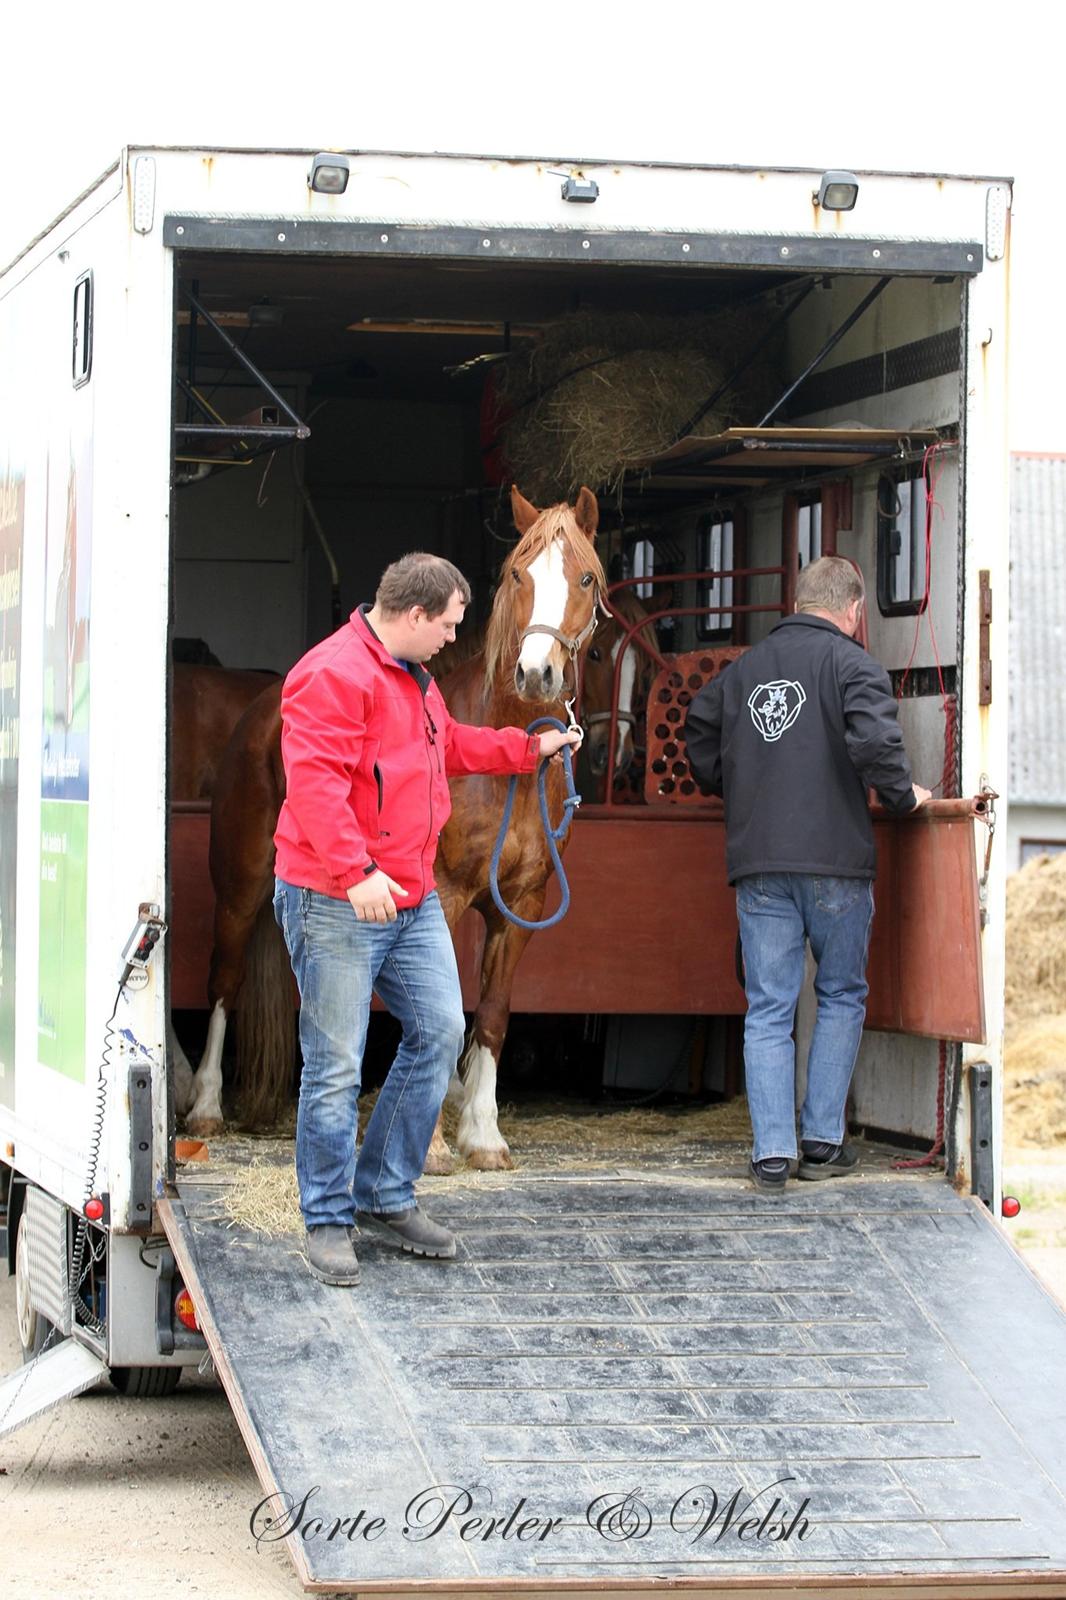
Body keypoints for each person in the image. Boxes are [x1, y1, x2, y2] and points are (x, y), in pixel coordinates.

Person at [273, 553, 582, 1284]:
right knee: (335, 1065)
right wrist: (356, 874)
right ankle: (325, 1217)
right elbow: (314, 790)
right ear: (414, 617)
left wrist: (528, 749)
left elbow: (455, 750)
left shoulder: (418, 681)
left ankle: (383, 1187)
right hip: (335, 899)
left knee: (440, 1032)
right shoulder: (331, 676)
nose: (452, 638)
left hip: (407, 895)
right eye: (446, 625)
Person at [684, 556, 931, 1194]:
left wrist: (732, 782)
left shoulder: (744, 673)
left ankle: (772, 1153)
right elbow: (877, 747)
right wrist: (905, 799)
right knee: (841, 994)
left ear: (797, 603)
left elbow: (700, 731)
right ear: (852, 611)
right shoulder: (855, 666)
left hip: (760, 862)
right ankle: (822, 1139)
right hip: (837, 864)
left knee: (769, 1005)